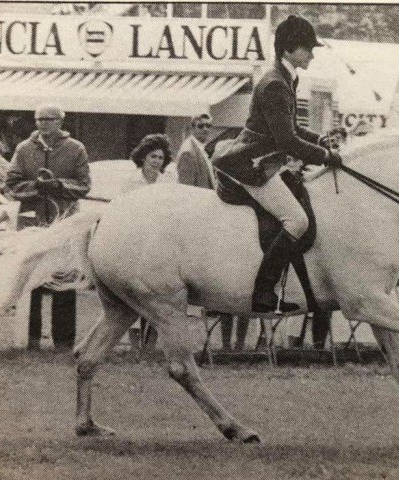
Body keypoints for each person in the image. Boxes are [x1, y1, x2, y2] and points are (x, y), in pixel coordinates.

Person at [212, 15, 342, 314]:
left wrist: (321, 139)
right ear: (288, 49)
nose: (312, 54)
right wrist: (326, 157)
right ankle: (263, 291)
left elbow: (292, 129)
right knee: (298, 221)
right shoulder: (274, 84)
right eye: (307, 48)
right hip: (251, 164)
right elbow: (287, 142)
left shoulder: (284, 78)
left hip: (265, 159)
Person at [5, 104, 90, 351]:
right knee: (31, 282)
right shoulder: (23, 149)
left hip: (64, 221)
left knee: (64, 281)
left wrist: (59, 185)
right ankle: (30, 340)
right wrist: (36, 188)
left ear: (61, 122)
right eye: (39, 119)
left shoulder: (76, 149)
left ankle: (63, 342)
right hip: (32, 222)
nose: (44, 123)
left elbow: (84, 185)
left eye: (50, 119)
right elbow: (11, 183)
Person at [178, 115, 249, 351]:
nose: (205, 130)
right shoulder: (189, 152)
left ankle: (234, 342)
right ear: (191, 128)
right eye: (200, 126)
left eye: (208, 126)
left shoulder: (202, 150)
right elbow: (187, 192)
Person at [126, 133, 174, 347]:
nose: (156, 161)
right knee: (135, 293)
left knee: (156, 293)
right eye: (153, 156)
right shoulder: (131, 182)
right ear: (143, 157)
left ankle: (151, 343)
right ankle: (136, 343)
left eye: (160, 158)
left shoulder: (168, 182)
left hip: (159, 243)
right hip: (135, 242)